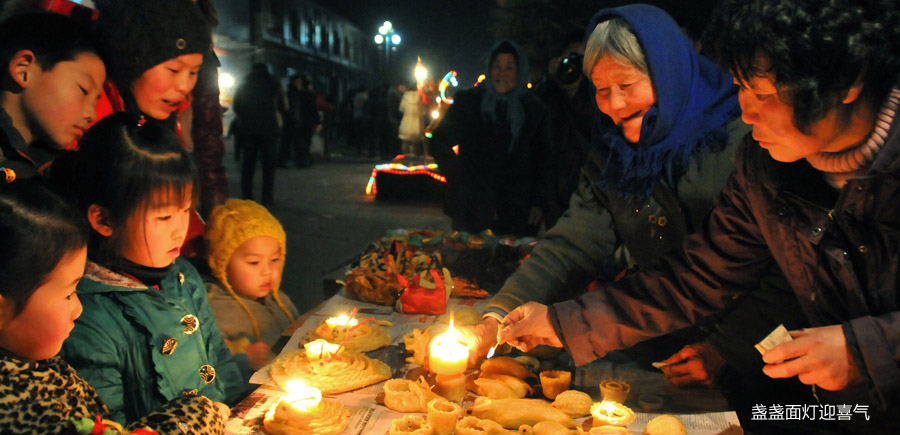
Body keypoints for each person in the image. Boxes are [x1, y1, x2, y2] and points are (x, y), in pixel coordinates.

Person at [498, 0, 900, 432]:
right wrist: (564, 323)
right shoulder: (765, 166)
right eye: (741, 88)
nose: (746, 112)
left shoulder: (739, 151)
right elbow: (700, 275)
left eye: (762, 93)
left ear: (846, 80)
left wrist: (865, 350)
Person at [47, 113, 243, 424]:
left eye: (186, 210)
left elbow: (220, 360)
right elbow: (108, 426)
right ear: (104, 219)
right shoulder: (87, 316)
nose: (181, 229)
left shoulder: (184, 276)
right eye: (164, 217)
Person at [0, 179, 229, 434]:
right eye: (67, 295)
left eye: (186, 210)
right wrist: (198, 415)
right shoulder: (24, 409)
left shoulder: (37, 366)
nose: (78, 308)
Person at [431, 40, 552, 236]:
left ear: (519, 71)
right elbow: (439, 141)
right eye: (497, 66)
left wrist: (539, 202)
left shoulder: (534, 109)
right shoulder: (469, 102)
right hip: (473, 206)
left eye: (509, 67)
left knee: (514, 263)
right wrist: (458, 176)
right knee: (470, 260)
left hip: (518, 209)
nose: (502, 73)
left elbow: (544, 159)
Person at [0, 11, 104, 181]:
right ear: (23, 69)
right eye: (84, 90)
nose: (91, 115)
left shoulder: (55, 171)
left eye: (95, 100)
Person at [205, 199, 299, 381]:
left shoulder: (280, 300)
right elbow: (208, 365)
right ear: (223, 265)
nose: (267, 271)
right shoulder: (214, 311)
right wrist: (244, 358)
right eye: (254, 262)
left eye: (275, 260)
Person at [534, 30, 593, 228]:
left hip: (590, 198)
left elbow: (594, 129)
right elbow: (535, 136)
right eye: (571, 57)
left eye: (581, 58)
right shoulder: (551, 92)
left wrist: (575, 92)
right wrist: (549, 79)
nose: (575, 65)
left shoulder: (599, 94)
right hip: (555, 199)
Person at [232, 63, 284, 206]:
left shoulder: (245, 84)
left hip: (248, 130)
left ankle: (247, 197)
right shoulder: (273, 84)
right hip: (268, 130)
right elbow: (282, 106)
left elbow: (236, 106)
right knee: (268, 166)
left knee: (248, 165)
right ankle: (267, 198)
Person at [279, 74, 319, 168]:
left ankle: (289, 161)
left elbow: (313, 108)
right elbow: (313, 108)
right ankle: (302, 161)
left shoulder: (290, 93)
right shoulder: (304, 94)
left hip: (296, 122)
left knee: (291, 143)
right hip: (298, 122)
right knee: (298, 143)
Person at [398, 86, 423, 155]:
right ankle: (415, 159)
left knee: (405, 142)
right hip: (417, 123)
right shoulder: (420, 97)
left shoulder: (405, 97)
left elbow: (401, 109)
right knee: (415, 143)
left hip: (406, 122)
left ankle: (404, 158)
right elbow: (422, 112)